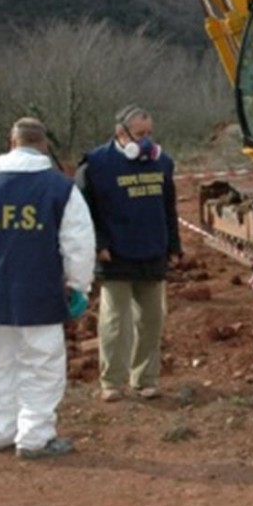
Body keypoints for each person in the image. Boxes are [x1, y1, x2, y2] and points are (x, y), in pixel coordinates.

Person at [0, 117, 95, 460]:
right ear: (43, 145)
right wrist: (78, 286)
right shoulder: (59, 189)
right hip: (39, 293)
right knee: (41, 366)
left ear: (10, 142)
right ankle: (34, 437)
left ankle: (0, 432)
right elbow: (78, 243)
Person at [76, 105, 182, 403]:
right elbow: (84, 211)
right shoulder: (96, 165)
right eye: (140, 134)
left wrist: (173, 246)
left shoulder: (162, 163)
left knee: (152, 318)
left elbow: (168, 208)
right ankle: (112, 382)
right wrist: (98, 244)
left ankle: (145, 379)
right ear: (121, 134)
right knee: (114, 321)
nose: (147, 140)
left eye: (150, 133)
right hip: (115, 255)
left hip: (152, 251)